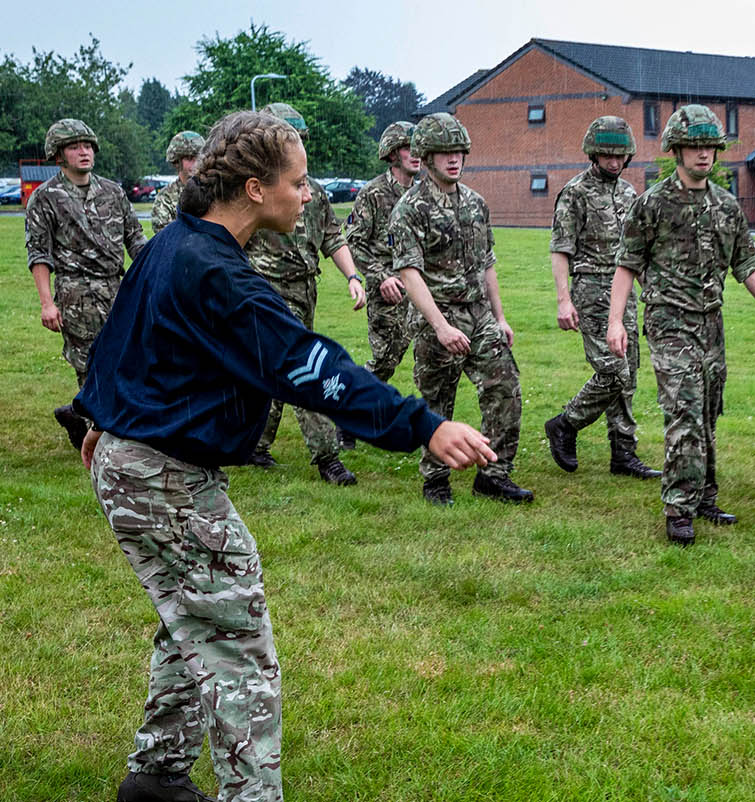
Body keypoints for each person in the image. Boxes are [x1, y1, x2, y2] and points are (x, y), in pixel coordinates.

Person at [75, 110, 495, 802]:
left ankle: (155, 777)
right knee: (240, 650)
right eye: (297, 183)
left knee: (195, 615)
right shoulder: (215, 273)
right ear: (252, 188)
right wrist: (420, 423)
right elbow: (306, 364)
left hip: (138, 463)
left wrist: (97, 416)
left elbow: (127, 339)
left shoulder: (175, 245)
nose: (307, 195)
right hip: (161, 476)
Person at [608, 104, 755, 545]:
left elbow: (746, 263)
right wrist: (615, 321)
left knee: (707, 412)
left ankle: (705, 496)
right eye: (694, 146)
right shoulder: (652, 203)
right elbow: (627, 265)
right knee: (684, 410)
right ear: (676, 150)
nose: (703, 154)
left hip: (712, 325)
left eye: (709, 146)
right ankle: (678, 508)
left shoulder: (727, 206)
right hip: (669, 321)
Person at [391, 112, 533, 506]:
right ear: (427, 156)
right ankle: (435, 481)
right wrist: (439, 327)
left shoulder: (475, 203)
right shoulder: (410, 208)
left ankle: (494, 474)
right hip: (435, 319)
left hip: (478, 315)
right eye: (443, 152)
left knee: (505, 388)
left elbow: (486, 264)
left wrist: (500, 317)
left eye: (458, 152)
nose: (453, 159)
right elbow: (409, 272)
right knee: (438, 403)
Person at [243, 102, 367, 486]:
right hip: (267, 289)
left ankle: (253, 444)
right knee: (305, 368)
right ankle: (327, 456)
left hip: (305, 288)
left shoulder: (313, 192)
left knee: (275, 373)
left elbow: (332, 237)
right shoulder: (255, 191)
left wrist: (352, 277)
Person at [543, 116, 659, 480]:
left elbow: (637, 250)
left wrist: (650, 289)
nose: (614, 162)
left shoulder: (629, 194)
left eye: (620, 156)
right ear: (593, 153)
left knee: (630, 375)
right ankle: (565, 424)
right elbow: (561, 249)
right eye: (607, 155)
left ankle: (623, 453)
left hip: (625, 292)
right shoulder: (575, 193)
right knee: (613, 371)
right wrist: (564, 300)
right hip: (591, 290)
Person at [25, 118, 146, 450]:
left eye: (88, 145)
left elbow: (136, 241)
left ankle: (79, 414)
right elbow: (39, 253)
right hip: (77, 293)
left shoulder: (112, 192)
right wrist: (47, 303)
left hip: (117, 290)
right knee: (91, 364)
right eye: (75, 147)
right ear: (59, 155)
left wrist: (157, 274)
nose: (84, 152)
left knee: (126, 359)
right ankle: (103, 437)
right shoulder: (45, 198)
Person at [336, 120, 422, 449]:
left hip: (423, 287)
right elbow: (354, 242)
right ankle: (348, 410)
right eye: (407, 148)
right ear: (391, 154)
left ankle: (423, 427)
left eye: (418, 149)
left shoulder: (424, 193)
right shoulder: (374, 193)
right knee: (386, 358)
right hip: (388, 288)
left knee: (433, 357)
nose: (415, 155)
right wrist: (380, 275)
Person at [150, 130, 204, 233]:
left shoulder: (214, 192)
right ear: (177, 162)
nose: (196, 163)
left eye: (199, 158)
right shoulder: (165, 199)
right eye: (189, 158)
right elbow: (166, 239)